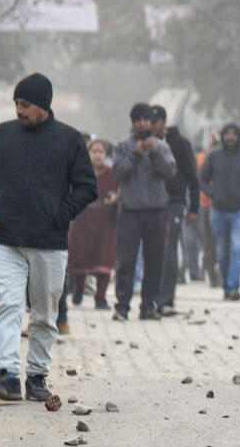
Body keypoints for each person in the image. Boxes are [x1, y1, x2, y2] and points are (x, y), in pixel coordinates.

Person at [0, 73, 97, 402]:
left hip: (49, 243)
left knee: (44, 314)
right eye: (16, 103)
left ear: (43, 105)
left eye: (25, 104)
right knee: (8, 306)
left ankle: (37, 376)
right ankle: (8, 375)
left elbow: (87, 188)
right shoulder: (2, 136)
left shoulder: (69, 140)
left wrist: (60, 214)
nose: (18, 110)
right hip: (7, 240)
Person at [111, 102, 177, 321]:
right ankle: (122, 305)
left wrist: (153, 151)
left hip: (157, 211)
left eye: (145, 119)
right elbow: (119, 172)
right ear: (133, 123)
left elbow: (169, 171)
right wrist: (136, 154)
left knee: (155, 260)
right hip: (130, 211)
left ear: (152, 122)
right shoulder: (122, 146)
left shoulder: (162, 147)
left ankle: (149, 305)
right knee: (126, 260)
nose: (142, 124)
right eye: (137, 120)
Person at [200, 122, 240, 300]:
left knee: (237, 247)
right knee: (222, 250)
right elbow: (202, 179)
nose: (231, 137)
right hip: (218, 210)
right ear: (223, 136)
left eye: (234, 134)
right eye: (227, 134)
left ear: (239, 136)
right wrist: (212, 194)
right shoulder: (214, 157)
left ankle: (234, 286)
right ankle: (226, 284)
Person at [151, 105, 201, 315]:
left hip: (174, 203)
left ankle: (166, 299)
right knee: (153, 251)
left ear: (162, 122)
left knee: (169, 250)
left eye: (153, 122)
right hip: (150, 204)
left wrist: (194, 207)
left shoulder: (179, 143)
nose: (150, 126)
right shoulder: (144, 144)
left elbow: (192, 176)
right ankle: (151, 296)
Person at [68, 139, 119, 309]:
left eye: (101, 152)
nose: (98, 155)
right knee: (79, 257)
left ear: (105, 155)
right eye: (94, 152)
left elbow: (119, 191)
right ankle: (78, 289)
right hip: (82, 221)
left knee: (104, 257)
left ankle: (101, 297)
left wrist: (115, 198)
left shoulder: (112, 174)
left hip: (105, 221)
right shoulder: (80, 173)